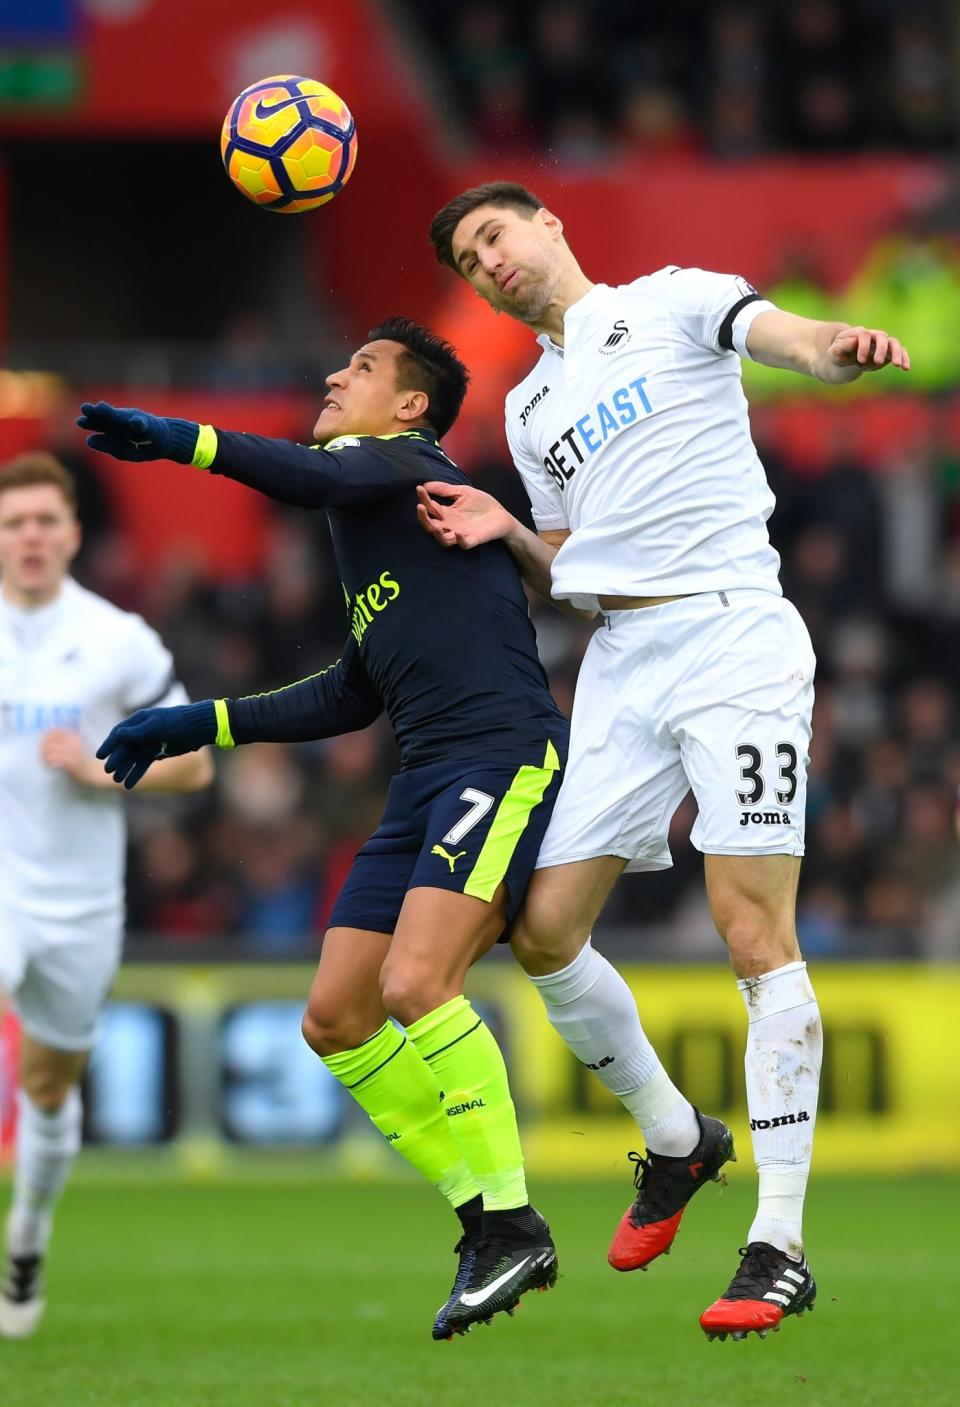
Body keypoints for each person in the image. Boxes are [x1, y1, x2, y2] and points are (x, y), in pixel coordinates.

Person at [420, 182, 911, 1341]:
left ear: (546, 223)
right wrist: (511, 535)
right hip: (622, 661)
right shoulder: (532, 403)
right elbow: (573, 554)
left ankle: (778, 1244)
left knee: (753, 932)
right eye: (466, 256)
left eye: (494, 235)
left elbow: (779, 336)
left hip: (734, 632)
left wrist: (832, 351)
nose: (487, 261)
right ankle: (681, 1140)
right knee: (543, 931)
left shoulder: (676, 299)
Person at [79, 317, 568, 1339]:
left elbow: (322, 479)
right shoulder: (380, 519)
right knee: (337, 1019)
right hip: (424, 777)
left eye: (363, 368)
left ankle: (514, 1216)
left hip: (500, 755)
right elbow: (354, 690)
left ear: (412, 406)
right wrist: (200, 721)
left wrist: (185, 438)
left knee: (415, 985)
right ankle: (486, 1220)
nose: (336, 376)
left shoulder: (402, 469)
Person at [0, 453, 214, 1339]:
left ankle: (27, 1236)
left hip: (83, 904)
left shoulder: (119, 639)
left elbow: (196, 762)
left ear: (75, 533)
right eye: (15, 523)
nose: (32, 537)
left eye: (46, 520)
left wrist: (102, 770)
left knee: (50, 1091)